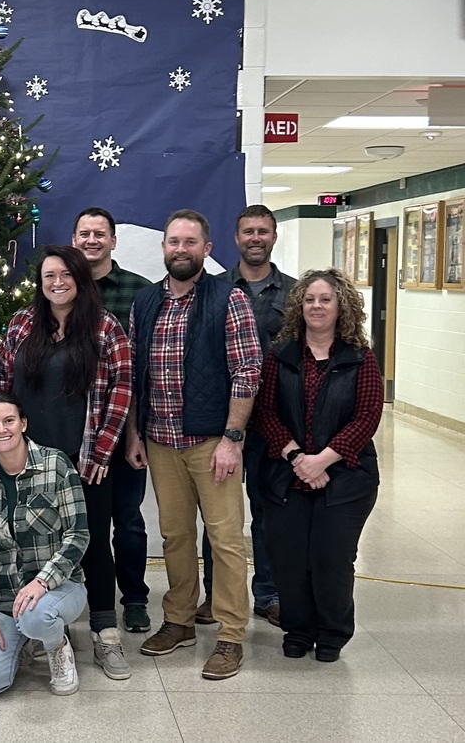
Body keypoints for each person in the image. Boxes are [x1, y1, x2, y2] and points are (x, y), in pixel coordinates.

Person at [125, 209, 261, 681]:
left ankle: (230, 635)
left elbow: (247, 370)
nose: (180, 249)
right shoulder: (145, 301)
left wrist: (232, 438)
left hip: (212, 443)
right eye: (173, 241)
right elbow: (135, 374)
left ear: (206, 248)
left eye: (189, 242)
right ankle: (179, 620)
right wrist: (135, 433)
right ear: (163, 247)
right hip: (161, 442)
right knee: (176, 536)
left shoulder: (229, 298)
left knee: (225, 539)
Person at [0, 245, 132, 681]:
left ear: (80, 278)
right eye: (49, 276)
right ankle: (46, 632)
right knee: (34, 543)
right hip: (29, 461)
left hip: (84, 458)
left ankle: (105, 633)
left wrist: (103, 450)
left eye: (65, 275)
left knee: (93, 545)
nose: (57, 283)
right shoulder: (21, 324)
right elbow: (2, 384)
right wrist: (4, 444)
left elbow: (122, 388)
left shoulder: (104, 326)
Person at [256, 268, 383, 662]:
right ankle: (298, 629)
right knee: (289, 559)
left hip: (346, 478)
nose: (316, 306)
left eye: (325, 299)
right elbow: (265, 412)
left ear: (341, 306)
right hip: (287, 474)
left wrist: (323, 460)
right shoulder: (281, 355)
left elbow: (367, 416)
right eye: (309, 299)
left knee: (332, 560)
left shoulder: (360, 357)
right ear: (299, 306)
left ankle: (332, 633)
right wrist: (298, 458)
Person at [197, 205, 295, 628]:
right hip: (223, 422)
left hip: (274, 421)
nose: (256, 238)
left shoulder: (294, 293)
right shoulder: (213, 289)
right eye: (248, 231)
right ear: (236, 238)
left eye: (263, 231)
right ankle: (215, 594)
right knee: (218, 515)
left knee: (268, 511)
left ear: (273, 237)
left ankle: (269, 593)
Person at [0, 392, 90, 698]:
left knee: (36, 615)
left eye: (9, 420)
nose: (1, 429)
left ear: (23, 423)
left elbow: (78, 535)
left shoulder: (56, 464)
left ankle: (56, 646)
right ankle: (22, 639)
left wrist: (43, 581)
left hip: (59, 588)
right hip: (5, 599)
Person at [72, 207, 154, 634]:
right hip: (74, 433)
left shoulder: (140, 292)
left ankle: (134, 599)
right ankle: (85, 597)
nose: (92, 240)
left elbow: (139, 372)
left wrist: (134, 434)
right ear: (74, 240)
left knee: (127, 520)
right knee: (81, 523)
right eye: (84, 233)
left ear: (113, 241)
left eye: (99, 234)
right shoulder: (62, 289)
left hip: (123, 430)